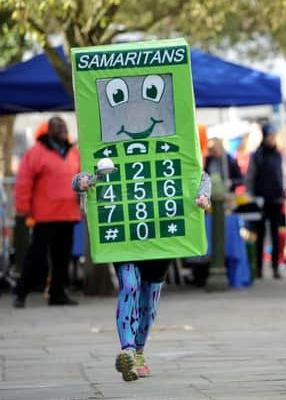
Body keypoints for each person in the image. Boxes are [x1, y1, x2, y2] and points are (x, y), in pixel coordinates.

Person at [73, 171, 211, 381]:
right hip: (125, 236)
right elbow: (84, 175)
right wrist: (82, 181)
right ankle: (127, 349)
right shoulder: (112, 146)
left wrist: (204, 195)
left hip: (161, 237)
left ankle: (138, 352)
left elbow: (199, 173)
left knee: (149, 301)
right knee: (129, 286)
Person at [12, 117, 81, 308]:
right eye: (58, 128)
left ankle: (57, 294)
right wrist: (23, 209)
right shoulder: (36, 153)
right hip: (45, 216)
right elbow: (24, 182)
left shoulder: (73, 153)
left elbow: (81, 178)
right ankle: (20, 292)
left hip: (68, 214)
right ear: (49, 131)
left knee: (62, 258)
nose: (63, 130)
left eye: (64, 127)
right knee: (36, 257)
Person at [245, 124, 284, 279]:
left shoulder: (278, 154)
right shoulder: (257, 155)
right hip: (261, 200)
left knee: (275, 235)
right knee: (260, 235)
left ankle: (275, 266)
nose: (271, 139)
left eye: (273, 136)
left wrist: (283, 191)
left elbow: (280, 175)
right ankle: (259, 268)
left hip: (276, 199)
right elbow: (250, 177)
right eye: (269, 136)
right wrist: (252, 196)